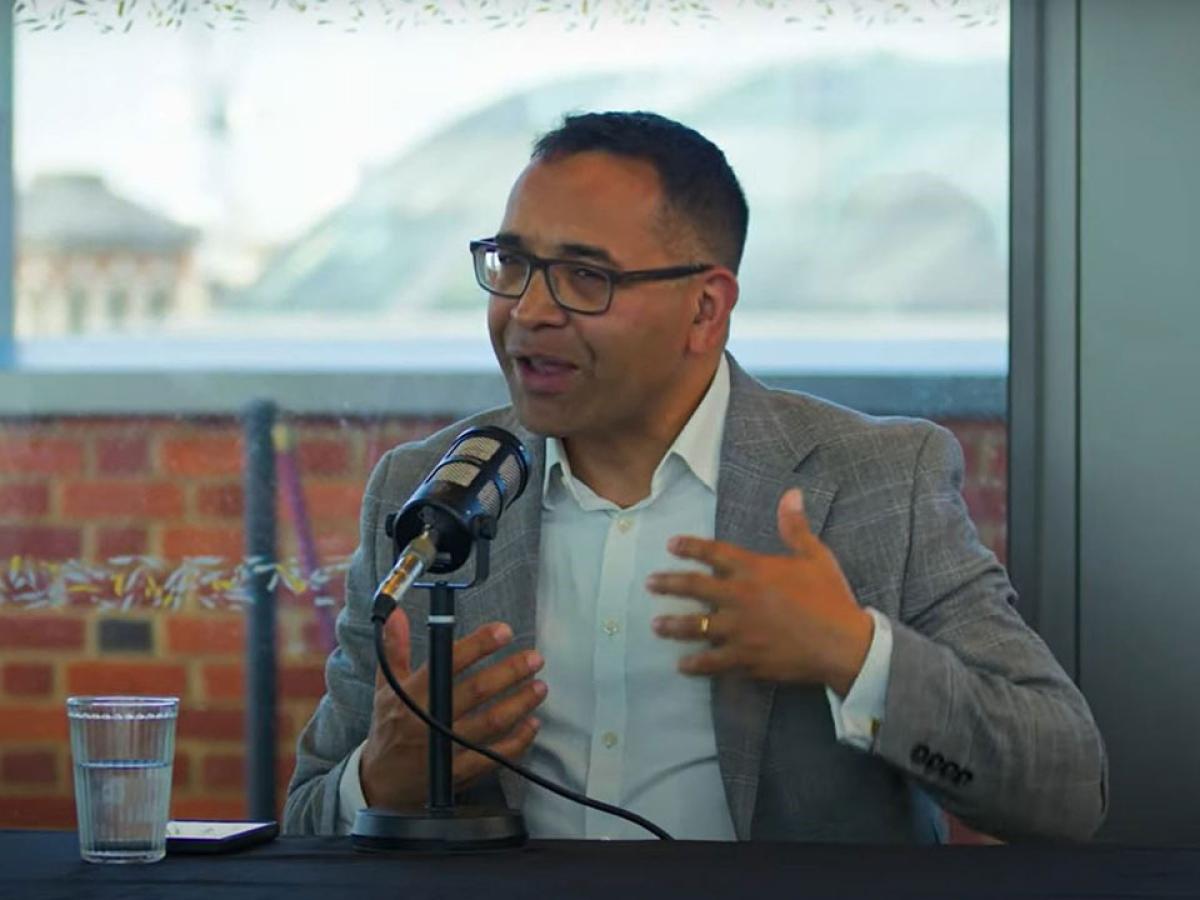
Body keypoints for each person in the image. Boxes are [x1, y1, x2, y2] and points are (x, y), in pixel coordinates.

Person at [283, 111, 1106, 842]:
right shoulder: (427, 495)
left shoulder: (873, 481)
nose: (527, 311)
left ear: (706, 310)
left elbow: (1065, 792)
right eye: (512, 263)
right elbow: (306, 819)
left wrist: (856, 657)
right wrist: (377, 781)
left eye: (583, 277)